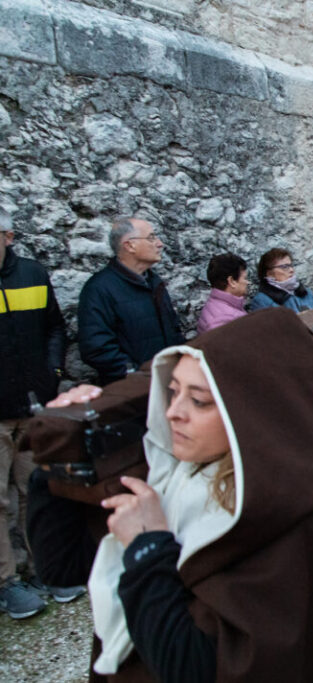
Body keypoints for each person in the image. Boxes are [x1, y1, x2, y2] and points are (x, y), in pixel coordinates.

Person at [28, 308, 313, 681]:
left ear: (253, 413)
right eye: (172, 393)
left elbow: (198, 670)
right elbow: (62, 566)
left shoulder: (282, 521)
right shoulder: (171, 476)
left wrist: (148, 547)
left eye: (199, 400)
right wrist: (60, 454)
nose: (173, 413)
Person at [0, 207, 83, 618]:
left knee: (36, 489)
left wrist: (51, 373)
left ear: (8, 236)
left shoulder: (32, 274)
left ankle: (43, 567)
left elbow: (54, 327)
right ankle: (7, 582)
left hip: (32, 405)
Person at [78, 216, 184, 385]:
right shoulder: (99, 289)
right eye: (151, 237)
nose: (159, 243)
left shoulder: (154, 282)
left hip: (168, 382)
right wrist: (135, 374)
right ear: (129, 245)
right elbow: (96, 348)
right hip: (134, 389)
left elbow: (173, 330)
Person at [250, 248, 313, 312]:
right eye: (284, 267)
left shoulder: (306, 293)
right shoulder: (261, 301)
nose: (291, 270)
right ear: (269, 273)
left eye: (291, 265)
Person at [195, 253, 248, 334]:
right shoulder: (222, 320)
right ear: (232, 281)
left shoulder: (220, 306)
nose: (247, 282)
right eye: (245, 278)